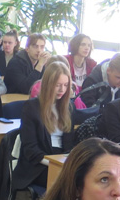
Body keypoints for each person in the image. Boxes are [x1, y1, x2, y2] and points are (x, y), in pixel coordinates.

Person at [12, 62, 76, 190]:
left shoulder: (69, 107)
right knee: (65, 183)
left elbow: (69, 144)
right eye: (57, 85)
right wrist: (54, 164)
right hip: (38, 164)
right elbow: (31, 149)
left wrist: (67, 162)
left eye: (65, 85)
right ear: (48, 84)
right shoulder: (31, 107)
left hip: (60, 158)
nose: (62, 90)